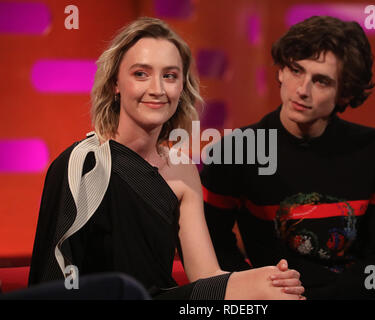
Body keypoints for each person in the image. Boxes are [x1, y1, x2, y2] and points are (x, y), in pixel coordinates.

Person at [28, 17, 305, 300]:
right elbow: (52, 277)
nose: (158, 89)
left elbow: (206, 276)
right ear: (115, 84)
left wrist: (266, 279)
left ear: (182, 86)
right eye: (141, 74)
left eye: (170, 76)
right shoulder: (82, 163)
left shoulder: (183, 169)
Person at [202, 16, 375, 299]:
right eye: (296, 70)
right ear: (280, 72)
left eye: (321, 81)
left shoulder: (374, 149)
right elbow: (211, 249)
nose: (302, 90)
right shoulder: (234, 151)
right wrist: (255, 289)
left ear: (345, 93)